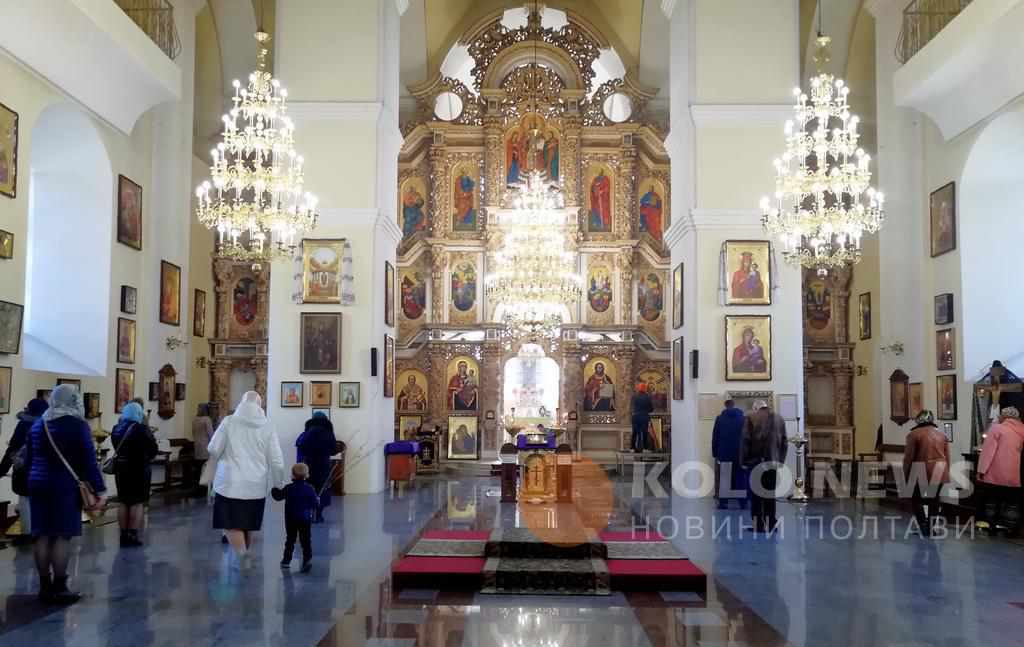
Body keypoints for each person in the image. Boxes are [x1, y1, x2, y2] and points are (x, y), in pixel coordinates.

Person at [25, 385, 107, 603]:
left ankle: (44, 586)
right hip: (63, 486)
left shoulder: (38, 424)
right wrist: (100, 489)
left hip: (37, 484)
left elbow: (29, 458)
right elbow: (89, 462)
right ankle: (60, 587)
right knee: (61, 535)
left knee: (41, 534)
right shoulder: (78, 425)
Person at [207, 391, 286, 566]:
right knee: (248, 523)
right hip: (256, 485)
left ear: (241, 403)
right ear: (259, 406)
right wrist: (279, 484)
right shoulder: (268, 426)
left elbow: (213, 448)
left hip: (229, 482)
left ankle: (243, 556)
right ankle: (244, 556)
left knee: (229, 522)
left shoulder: (228, 422)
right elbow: (277, 460)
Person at [110, 402, 158, 547]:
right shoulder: (141, 429)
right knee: (137, 502)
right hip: (139, 469)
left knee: (123, 501)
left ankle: (123, 535)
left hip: (121, 469)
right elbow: (153, 449)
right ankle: (133, 533)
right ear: (138, 413)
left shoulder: (116, 429)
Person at [0, 398, 48, 536]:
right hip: (45, 471)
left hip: (24, 470)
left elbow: (13, 448)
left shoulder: (24, 425)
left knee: (25, 500)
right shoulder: (50, 426)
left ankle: (28, 534)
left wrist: (2, 469)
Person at [739, 400, 788, 532]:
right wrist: (780, 461)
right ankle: (771, 524)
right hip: (773, 463)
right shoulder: (780, 419)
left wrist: (743, 462)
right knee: (770, 494)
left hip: (756, 462)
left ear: (756, 408)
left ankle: (758, 526)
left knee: (756, 496)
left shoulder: (751, 417)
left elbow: (745, 441)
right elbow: (784, 442)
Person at [975, 407, 1024, 534]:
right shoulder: (1022, 429)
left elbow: (987, 452)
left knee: (991, 501)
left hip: (995, 475)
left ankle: (991, 526)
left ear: (1004, 417)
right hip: (1014, 475)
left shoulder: (997, 428)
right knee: (1012, 504)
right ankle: (1010, 529)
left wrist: (981, 470)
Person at [902, 410, 950, 537]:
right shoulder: (942, 434)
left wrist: (906, 474)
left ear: (919, 420)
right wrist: (947, 472)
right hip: (940, 470)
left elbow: (909, 458)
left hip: (920, 470)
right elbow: (947, 456)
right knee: (934, 500)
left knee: (916, 499)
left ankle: (923, 526)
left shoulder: (914, 434)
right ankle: (931, 528)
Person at [272, 463, 318, 573]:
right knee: (306, 540)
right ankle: (307, 560)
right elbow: (315, 505)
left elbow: (277, 497)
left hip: (291, 519)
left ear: (292, 475)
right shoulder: (310, 488)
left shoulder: (289, 488)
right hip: (305, 519)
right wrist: (317, 500)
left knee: (290, 539)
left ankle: (286, 561)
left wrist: (274, 488)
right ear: (307, 475)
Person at [296, 411, 337, 523]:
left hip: (308, 466)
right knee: (322, 489)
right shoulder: (328, 433)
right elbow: (334, 450)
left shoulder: (307, 432)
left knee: (308, 489)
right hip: (323, 465)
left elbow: (301, 447)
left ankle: (308, 514)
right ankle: (318, 515)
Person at [712, 400, 747, 509]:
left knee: (725, 478)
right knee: (740, 478)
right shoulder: (743, 419)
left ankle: (723, 503)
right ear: (734, 405)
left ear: (725, 406)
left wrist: (715, 453)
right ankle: (743, 503)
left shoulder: (720, 419)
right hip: (740, 453)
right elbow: (747, 437)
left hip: (724, 453)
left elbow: (715, 437)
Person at [630, 383, 654, 453]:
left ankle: (632, 448)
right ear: (645, 389)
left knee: (634, 432)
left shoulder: (634, 396)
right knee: (644, 432)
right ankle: (645, 448)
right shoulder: (647, 397)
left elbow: (631, 407)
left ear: (638, 388)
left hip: (635, 417)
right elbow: (651, 409)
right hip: (644, 417)